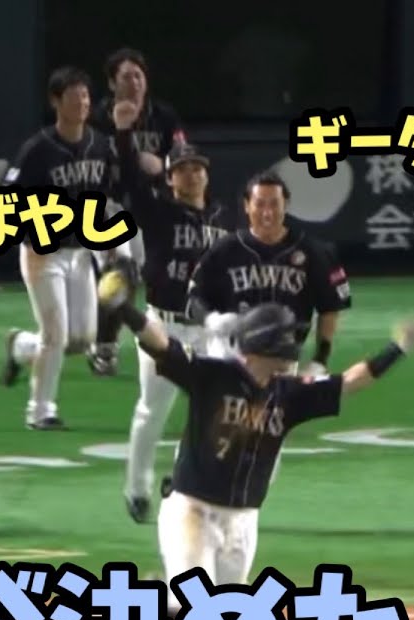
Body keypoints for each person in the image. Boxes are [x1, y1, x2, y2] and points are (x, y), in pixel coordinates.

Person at [95, 267, 414, 620]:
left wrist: (398, 348)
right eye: (285, 340)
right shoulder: (211, 375)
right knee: (201, 612)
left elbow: (349, 382)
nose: (292, 348)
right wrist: (125, 310)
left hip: (242, 521)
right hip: (192, 511)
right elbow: (161, 344)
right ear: (265, 344)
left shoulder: (288, 396)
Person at [108, 97, 232, 523]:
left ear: (207, 174)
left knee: (211, 411)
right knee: (152, 410)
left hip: (208, 331)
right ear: (170, 177)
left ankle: (180, 480)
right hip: (162, 326)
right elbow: (129, 178)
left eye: (197, 167)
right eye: (182, 168)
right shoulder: (158, 211)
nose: (191, 174)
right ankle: (136, 488)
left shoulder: (222, 218)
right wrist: (123, 133)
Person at [0, 66, 126, 430]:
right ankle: (40, 411)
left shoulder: (99, 145)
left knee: (80, 339)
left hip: (81, 253)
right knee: (56, 335)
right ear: (55, 101)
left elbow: (104, 197)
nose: (82, 102)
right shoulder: (38, 149)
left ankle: (21, 347)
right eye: (73, 96)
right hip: (43, 252)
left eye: (85, 96)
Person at [187, 172, 352, 373]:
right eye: (259, 204)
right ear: (247, 206)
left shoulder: (313, 252)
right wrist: (210, 319)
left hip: (282, 358)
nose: (267, 213)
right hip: (231, 355)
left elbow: (330, 308)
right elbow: (194, 296)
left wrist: (320, 360)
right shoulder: (224, 250)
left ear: (286, 205)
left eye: (275, 204)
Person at [86, 47, 187, 376]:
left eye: (138, 75)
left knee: (144, 276)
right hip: (108, 204)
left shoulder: (163, 116)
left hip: (151, 206)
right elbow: (87, 160)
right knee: (122, 271)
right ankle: (105, 346)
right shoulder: (98, 117)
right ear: (111, 83)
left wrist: (165, 164)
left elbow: (183, 155)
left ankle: (148, 339)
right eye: (126, 77)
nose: (134, 82)